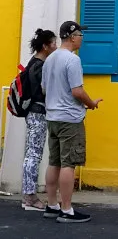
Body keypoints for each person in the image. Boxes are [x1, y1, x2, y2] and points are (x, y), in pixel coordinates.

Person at [41, 21, 103, 223]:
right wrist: (91, 103)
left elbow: (44, 88)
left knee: (54, 161)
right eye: (80, 35)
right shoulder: (72, 60)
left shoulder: (50, 59)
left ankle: (52, 205)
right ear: (72, 36)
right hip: (69, 119)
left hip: (52, 117)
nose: (82, 38)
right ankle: (66, 210)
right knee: (69, 164)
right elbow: (77, 91)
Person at [21, 29, 57, 211]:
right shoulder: (39, 66)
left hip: (34, 113)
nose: (56, 47)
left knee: (32, 153)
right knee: (33, 155)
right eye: (53, 43)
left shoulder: (33, 63)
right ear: (45, 46)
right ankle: (30, 197)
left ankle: (29, 194)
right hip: (37, 113)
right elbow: (42, 91)